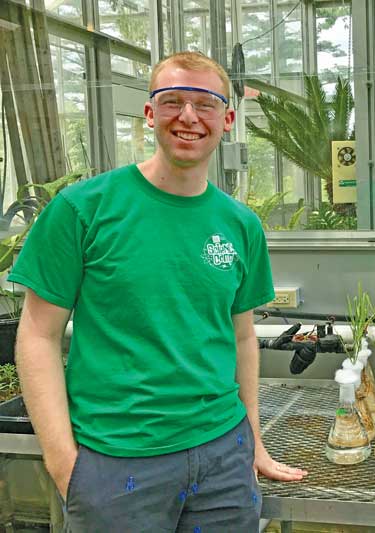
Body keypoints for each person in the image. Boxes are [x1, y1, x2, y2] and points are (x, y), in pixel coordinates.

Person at [11, 51, 307, 532]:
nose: (188, 116)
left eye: (206, 104)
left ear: (227, 120)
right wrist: (64, 462)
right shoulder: (83, 209)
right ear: (149, 113)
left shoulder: (240, 224)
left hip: (222, 459)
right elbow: (37, 337)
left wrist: (252, 438)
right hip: (116, 461)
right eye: (172, 101)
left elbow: (241, 338)